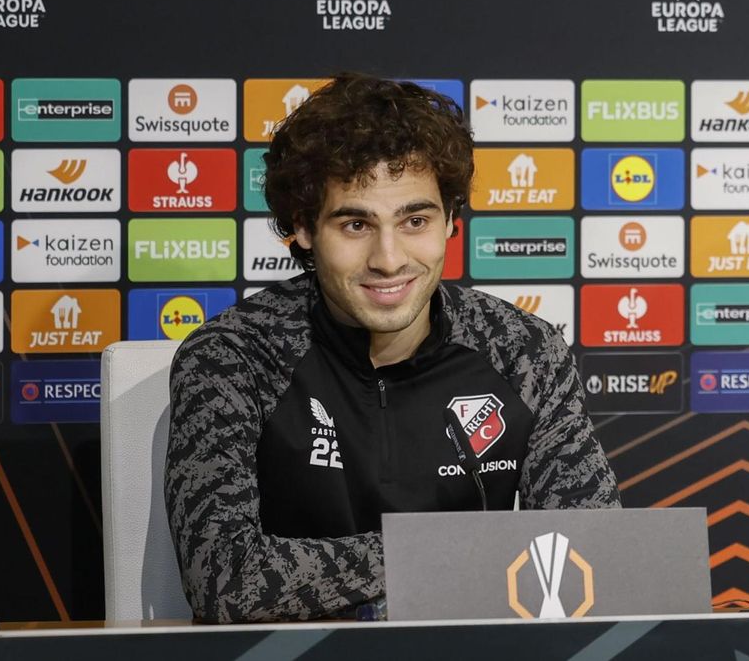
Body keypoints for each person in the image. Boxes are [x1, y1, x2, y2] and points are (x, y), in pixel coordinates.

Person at [164, 74, 619, 623]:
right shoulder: (232, 357)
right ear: (303, 228)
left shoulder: (524, 350)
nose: (388, 258)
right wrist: (464, 552)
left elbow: (595, 552)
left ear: (451, 221)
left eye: (415, 221)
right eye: (356, 223)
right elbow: (225, 577)